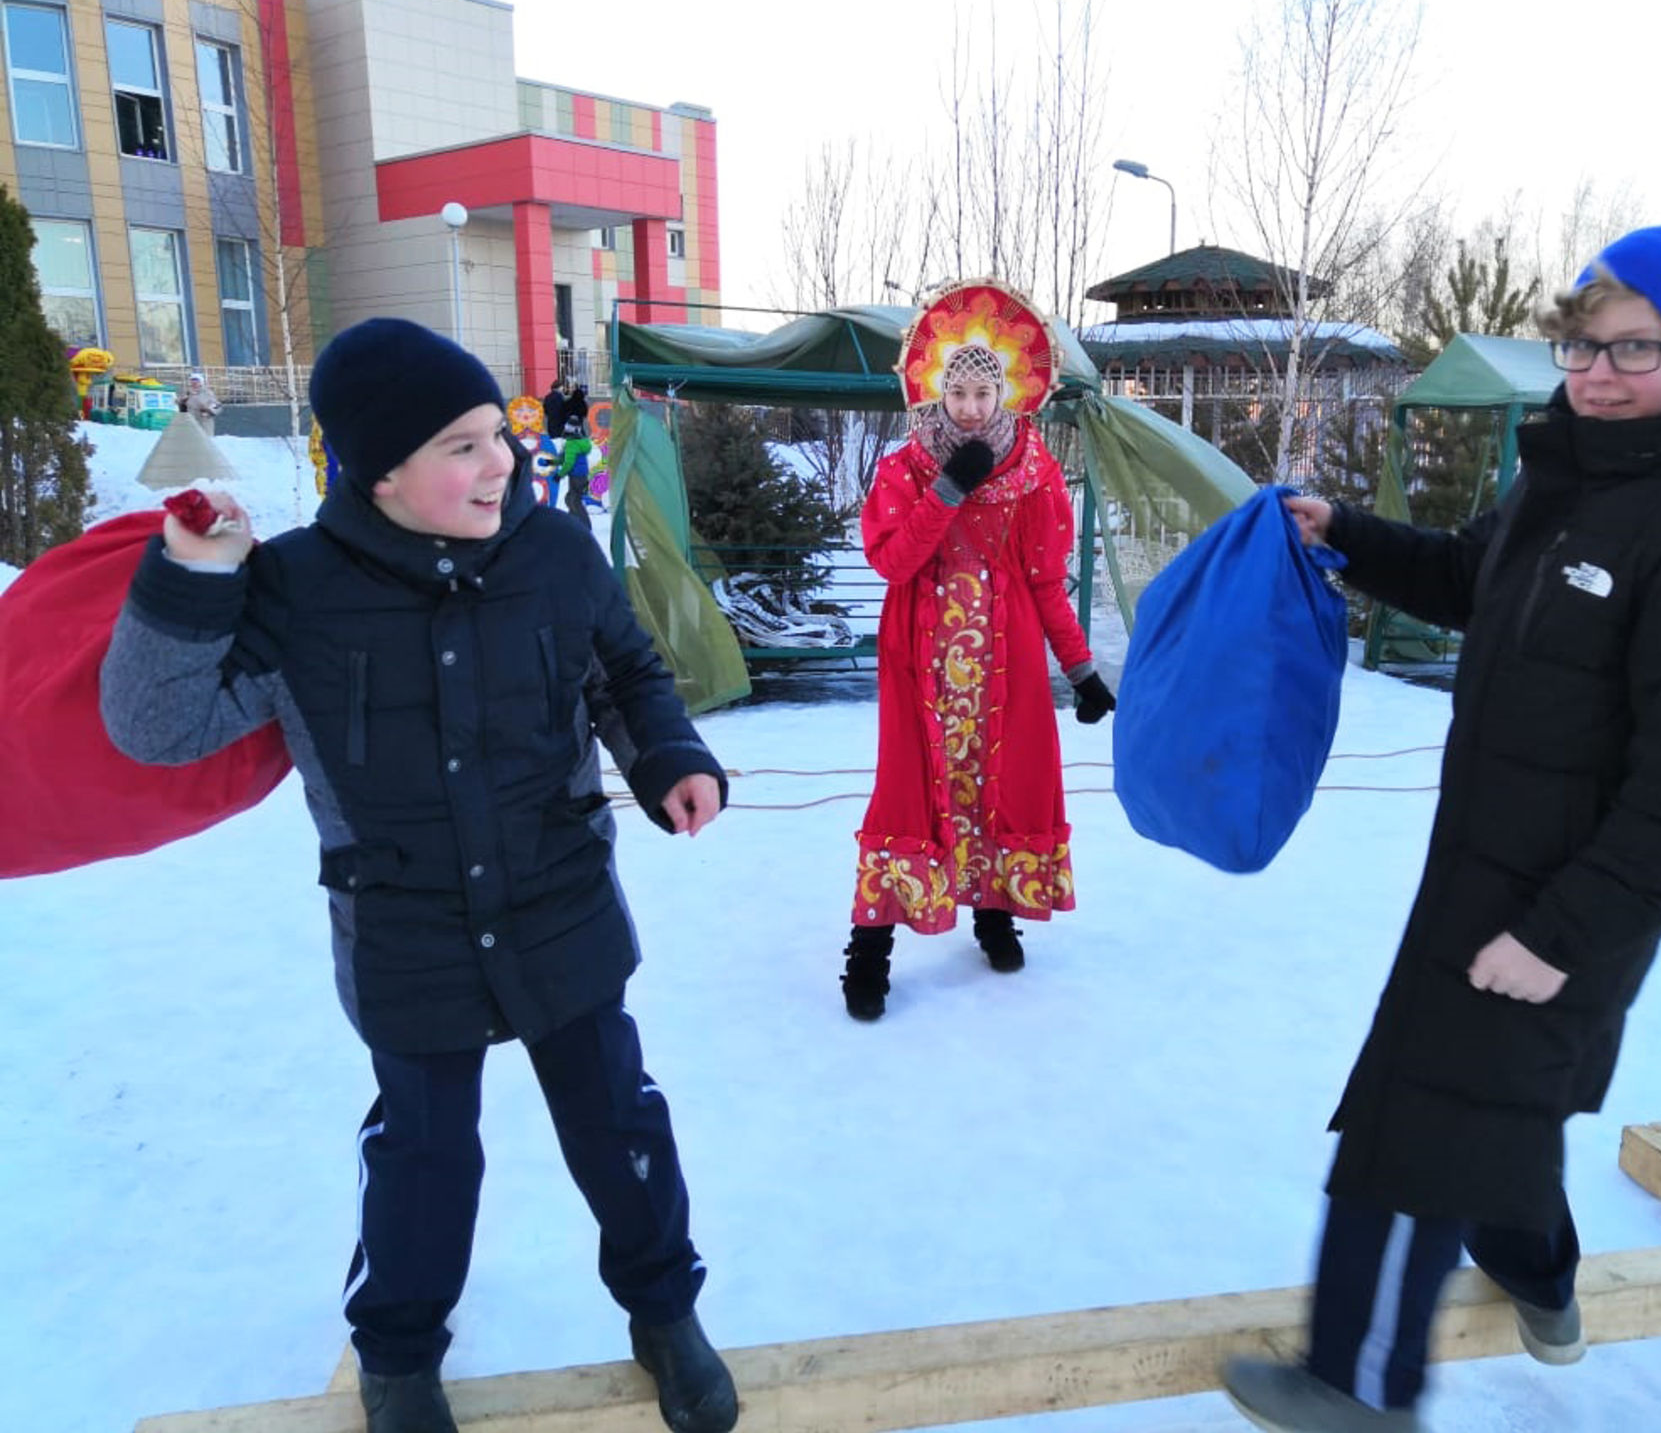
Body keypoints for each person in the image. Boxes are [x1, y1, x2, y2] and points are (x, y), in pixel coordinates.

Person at [101, 319, 740, 1433]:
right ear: (380, 470)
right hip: (403, 923)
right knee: (425, 1157)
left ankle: (665, 1311)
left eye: (500, 433)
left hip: (560, 898)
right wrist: (195, 579)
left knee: (619, 1123)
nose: (504, 461)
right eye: (463, 445)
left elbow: (624, 672)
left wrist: (670, 756)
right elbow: (158, 724)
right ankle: (398, 1353)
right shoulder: (297, 587)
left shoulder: (554, 555)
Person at [1219, 223, 1661, 1432]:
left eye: (1634, 348)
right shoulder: (1570, 476)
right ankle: (1542, 1277)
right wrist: (1347, 534)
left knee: (1423, 1130)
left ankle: (1358, 1387)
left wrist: (1564, 937)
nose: (1596, 372)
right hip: (1480, 871)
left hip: (1564, 908)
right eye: (1582, 345)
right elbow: (1464, 578)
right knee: (1478, 1113)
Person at [842, 282, 1115, 1022]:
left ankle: (995, 913)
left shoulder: (1033, 472)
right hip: (919, 664)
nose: (969, 406)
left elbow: (1046, 582)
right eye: (956, 391)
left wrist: (1082, 670)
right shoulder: (905, 471)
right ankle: (869, 950)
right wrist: (947, 493)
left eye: (982, 391)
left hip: (1010, 665)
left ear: (1007, 392)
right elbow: (895, 563)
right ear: (935, 388)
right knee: (906, 794)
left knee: (1008, 786)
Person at [559, 380, 595, 528]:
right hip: (580, 473)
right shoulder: (578, 441)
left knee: (574, 499)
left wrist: (559, 473)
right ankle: (572, 520)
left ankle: (584, 525)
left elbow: (568, 461)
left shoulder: (572, 444)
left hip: (576, 474)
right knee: (572, 498)